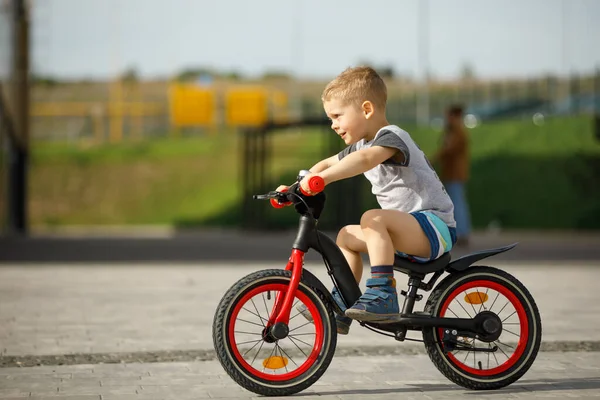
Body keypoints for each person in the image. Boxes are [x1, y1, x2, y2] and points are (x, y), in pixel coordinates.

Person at [278, 66, 457, 335]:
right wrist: (296, 185)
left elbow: (363, 161)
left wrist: (323, 181)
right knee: (347, 236)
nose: (333, 124)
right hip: (408, 229)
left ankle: (383, 295)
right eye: (330, 118)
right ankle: (342, 303)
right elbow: (328, 162)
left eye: (337, 116)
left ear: (366, 109)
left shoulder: (392, 138)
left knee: (371, 218)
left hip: (434, 227)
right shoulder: (362, 143)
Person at [432, 105, 472, 246]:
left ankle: (462, 233)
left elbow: (447, 150)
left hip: (455, 174)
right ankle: (460, 232)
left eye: (449, 116)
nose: (447, 119)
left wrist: (432, 160)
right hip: (450, 173)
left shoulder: (458, 133)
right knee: (456, 203)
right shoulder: (453, 131)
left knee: (457, 204)